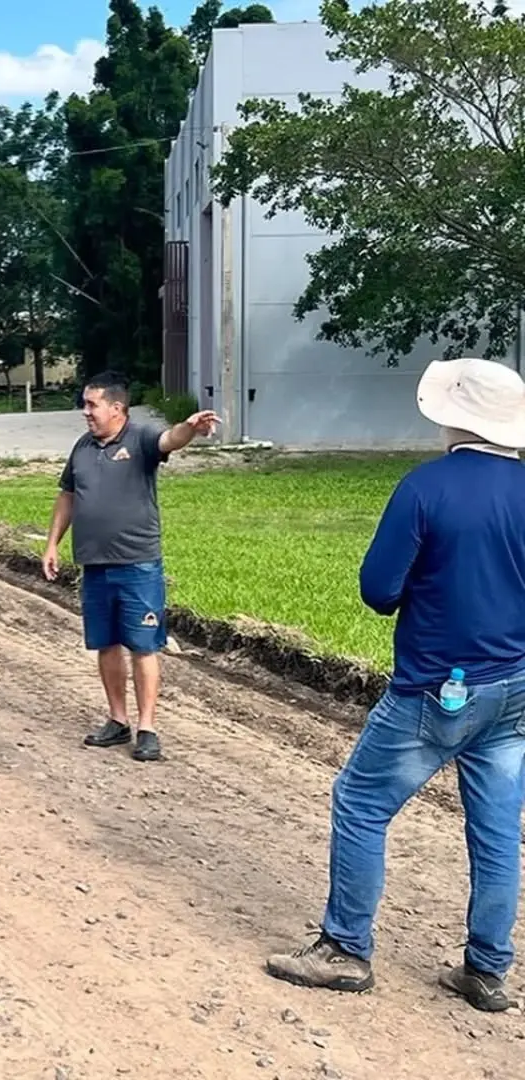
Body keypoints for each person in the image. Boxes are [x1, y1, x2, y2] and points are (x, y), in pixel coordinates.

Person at [266, 356, 525, 1014]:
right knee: (496, 829)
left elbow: (378, 590)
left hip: (438, 685)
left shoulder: (425, 487)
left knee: (360, 802)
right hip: (515, 685)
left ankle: (346, 949)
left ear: (452, 419)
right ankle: (487, 969)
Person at [41, 370, 220, 762]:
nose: (85, 412)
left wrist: (189, 428)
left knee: (142, 646)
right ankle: (117, 719)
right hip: (95, 566)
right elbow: (67, 496)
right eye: (85, 404)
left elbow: (169, 440)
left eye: (92, 404)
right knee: (105, 644)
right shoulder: (83, 448)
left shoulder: (139, 438)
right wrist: (52, 543)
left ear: (117, 407)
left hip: (137, 564)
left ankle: (148, 728)